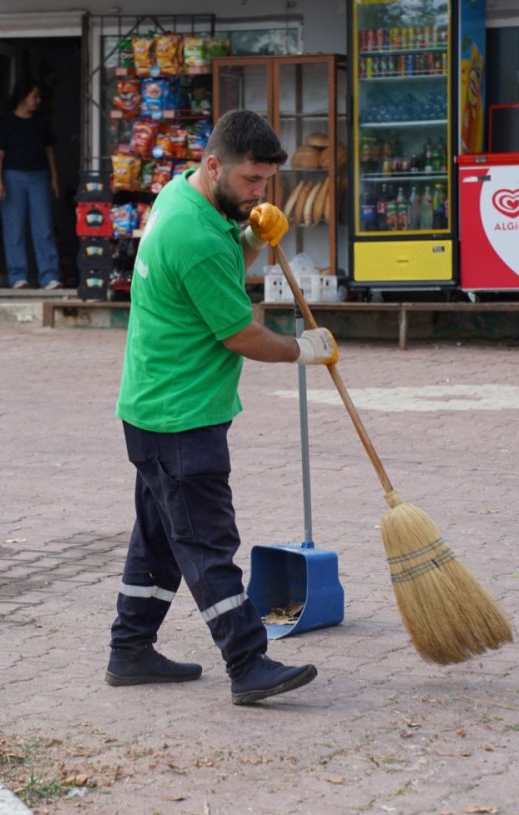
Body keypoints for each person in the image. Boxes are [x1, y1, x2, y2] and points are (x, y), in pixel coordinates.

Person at [108, 110, 339, 706]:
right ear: (214, 166)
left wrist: (252, 240)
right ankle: (248, 662)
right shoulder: (196, 236)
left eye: (265, 183)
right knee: (208, 544)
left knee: (159, 539)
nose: (259, 193)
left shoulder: (185, 201)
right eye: (251, 182)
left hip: (154, 407)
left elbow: (220, 273)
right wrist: (302, 350)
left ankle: (130, 650)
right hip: (180, 417)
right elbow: (239, 332)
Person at [0, 79, 62, 290]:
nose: (37, 101)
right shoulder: (6, 122)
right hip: (12, 176)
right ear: (23, 97)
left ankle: (49, 276)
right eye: (34, 96)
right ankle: (18, 277)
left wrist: (54, 178)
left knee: (44, 228)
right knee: (14, 229)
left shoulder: (40, 122)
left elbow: (49, 151)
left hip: (39, 176)